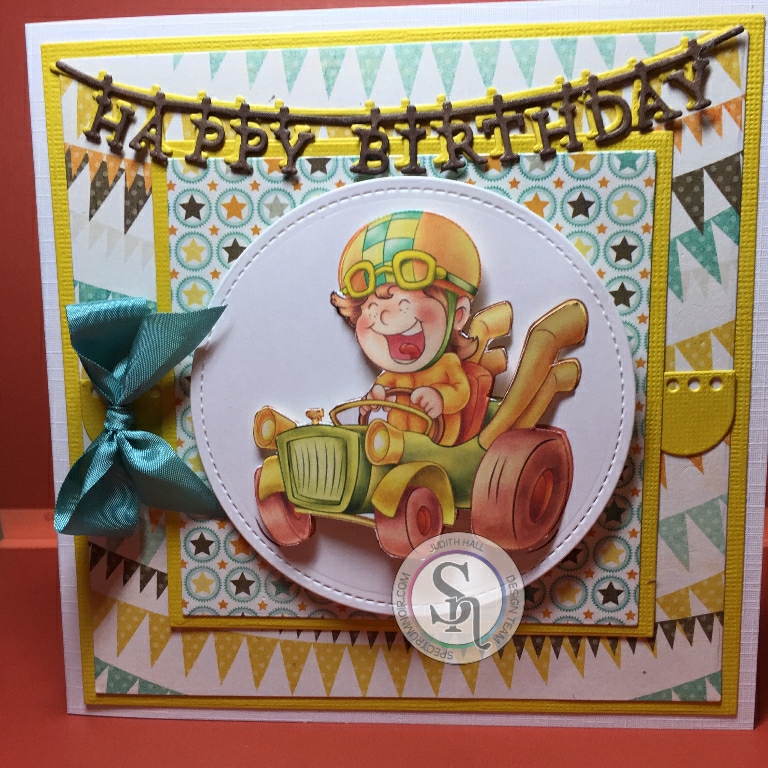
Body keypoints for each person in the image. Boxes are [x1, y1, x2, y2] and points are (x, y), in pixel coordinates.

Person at [330, 210, 482, 446]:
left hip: (438, 445)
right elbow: (379, 393)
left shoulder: (448, 364)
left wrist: (440, 397)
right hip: (395, 444)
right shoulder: (390, 377)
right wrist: (374, 398)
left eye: (403, 302)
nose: (384, 316)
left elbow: (461, 392)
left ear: (459, 315)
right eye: (371, 307)